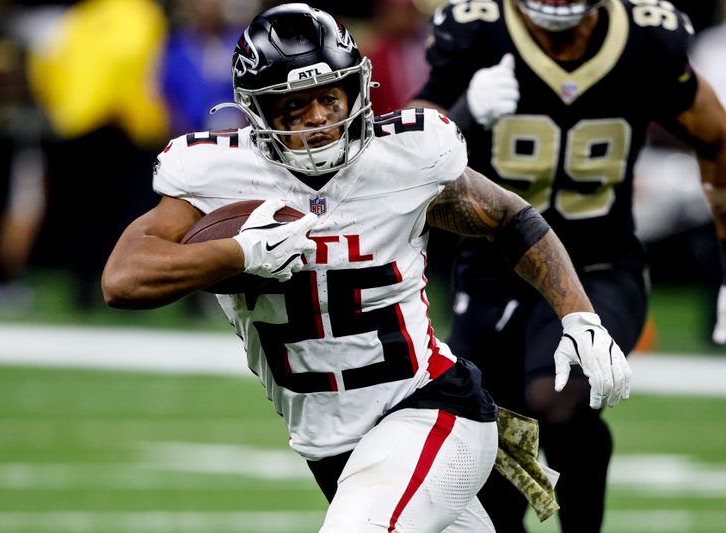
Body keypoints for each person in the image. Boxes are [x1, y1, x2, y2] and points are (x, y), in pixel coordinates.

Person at [102, 4, 632, 531]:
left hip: (432, 409)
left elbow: (509, 216)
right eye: (294, 105)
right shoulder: (217, 174)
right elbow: (122, 281)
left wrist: (579, 318)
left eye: (330, 98)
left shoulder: (400, 157)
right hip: (332, 447)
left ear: (356, 90)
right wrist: (241, 253)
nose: (318, 119)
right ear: (257, 110)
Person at [408, 0, 726, 531]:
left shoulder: (647, 37)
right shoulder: (476, 31)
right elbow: (399, 152)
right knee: (490, 427)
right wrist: (462, 112)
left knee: (560, 399)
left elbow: (715, 137)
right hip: (495, 269)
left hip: (599, 263)